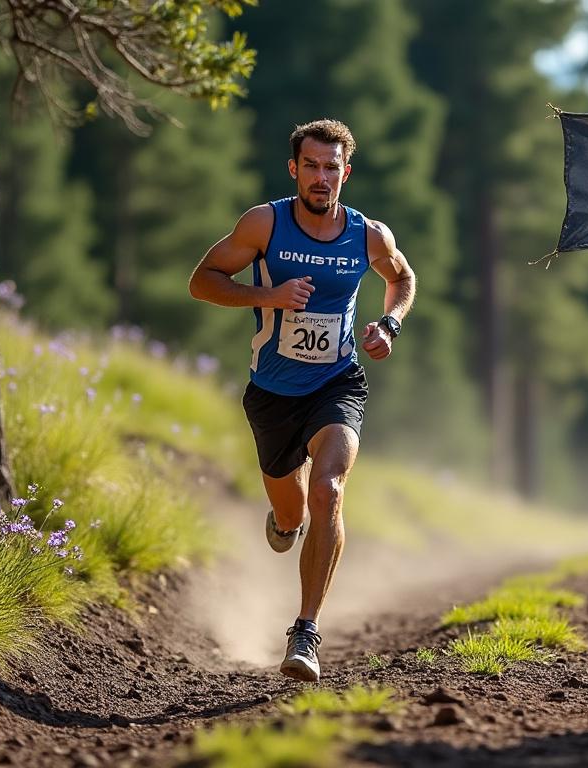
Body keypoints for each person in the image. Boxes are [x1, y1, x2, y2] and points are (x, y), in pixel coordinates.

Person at [188, 119, 415, 682]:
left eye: (331, 167)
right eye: (311, 166)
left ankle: (306, 631)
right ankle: (284, 522)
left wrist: (388, 323)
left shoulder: (368, 236)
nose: (321, 177)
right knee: (291, 514)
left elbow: (403, 278)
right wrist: (269, 295)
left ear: (346, 173)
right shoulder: (264, 224)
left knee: (328, 490)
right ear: (294, 169)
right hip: (271, 394)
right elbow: (202, 280)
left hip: (338, 382)